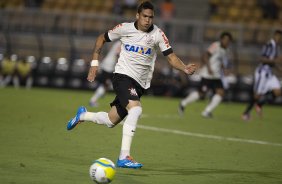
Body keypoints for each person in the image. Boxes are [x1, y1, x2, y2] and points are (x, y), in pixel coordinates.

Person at [66, 1, 196, 169]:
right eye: (144, 16)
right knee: (136, 109)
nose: (148, 20)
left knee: (110, 120)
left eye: (151, 17)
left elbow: (170, 57)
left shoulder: (158, 34)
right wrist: (94, 63)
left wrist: (184, 67)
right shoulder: (124, 28)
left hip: (140, 84)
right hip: (122, 77)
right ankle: (124, 156)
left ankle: (83, 115)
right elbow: (101, 38)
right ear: (137, 15)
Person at [178, 32, 233, 118]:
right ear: (221, 39)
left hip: (216, 76)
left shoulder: (226, 50)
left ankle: (207, 111)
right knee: (201, 94)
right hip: (207, 74)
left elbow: (220, 61)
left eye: (228, 40)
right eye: (225, 39)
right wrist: (209, 67)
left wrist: (224, 69)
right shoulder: (215, 45)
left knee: (221, 92)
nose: (226, 42)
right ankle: (183, 103)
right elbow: (205, 56)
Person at [242, 30, 282, 121]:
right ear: (275, 36)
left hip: (270, 74)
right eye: (278, 36)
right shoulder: (268, 45)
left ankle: (259, 104)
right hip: (262, 73)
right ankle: (246, 113)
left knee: (278, 92)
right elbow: (261, 59)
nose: (279, 39)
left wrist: (280, 69)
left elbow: (273, 62)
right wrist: (275, 61)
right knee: (257, 95)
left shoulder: (277, 48)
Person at [89, 41, 121, 107]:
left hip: (109, 66)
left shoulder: (120, 42)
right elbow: (118, 54)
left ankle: (96, 98)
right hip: (108, 66)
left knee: (107, 85)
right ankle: (93, 100)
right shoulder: (122, 42)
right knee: (106, 85)